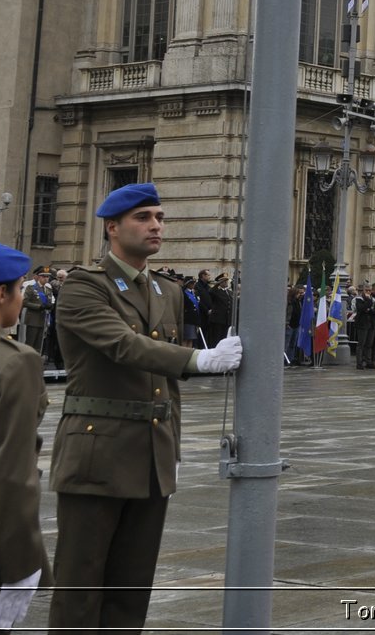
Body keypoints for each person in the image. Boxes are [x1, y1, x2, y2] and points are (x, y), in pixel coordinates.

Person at [49, 182, 242, 634]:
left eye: (159, 217)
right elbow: (122, 346)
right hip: (97, 454)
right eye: (143, 217)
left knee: (131, 589)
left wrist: (170, 440)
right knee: (81, 585)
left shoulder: (166, 291)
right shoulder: (84, 286)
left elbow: (160, 385)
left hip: (152, 453)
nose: (155, 225)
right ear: (112, 228)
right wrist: (198, 360)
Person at [0, 243, 50, 632]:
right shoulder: (16, 360)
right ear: (1, 293)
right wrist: (23, 564)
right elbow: (11, 474)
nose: (23, 298)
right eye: (21, 288)